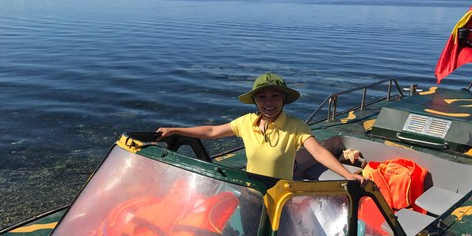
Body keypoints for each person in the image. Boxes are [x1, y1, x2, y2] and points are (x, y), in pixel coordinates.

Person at [156, 72, 366, 184]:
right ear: (255, 100)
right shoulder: (246, 122)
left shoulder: (295, 125)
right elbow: (212, 132)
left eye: (275, 96)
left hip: (281, 194)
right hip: (252, 190)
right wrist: (175, 130)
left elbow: (319, 152)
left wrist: (348, 175)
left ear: (283, 99)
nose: (269, 102)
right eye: (262, 97)